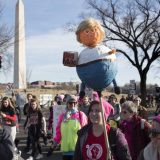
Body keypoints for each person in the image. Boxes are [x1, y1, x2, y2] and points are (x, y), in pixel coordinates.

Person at [47, 95, 88, 160]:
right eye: (71, 103)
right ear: (67, 103)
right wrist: (53, 147)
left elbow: (86, 133)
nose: (73, 105)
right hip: (66, 151)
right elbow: (58, 133)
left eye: (75, 103)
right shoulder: (62, 116)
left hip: (77, 150)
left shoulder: (81, 115)